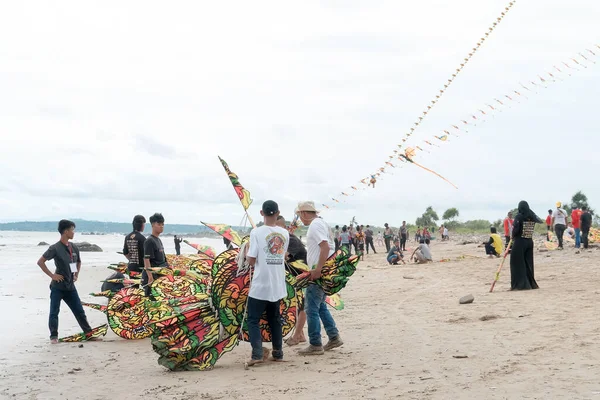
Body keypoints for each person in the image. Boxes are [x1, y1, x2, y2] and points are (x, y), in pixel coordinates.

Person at [296, 201, 343, 356]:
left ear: (303, 213)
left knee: (311, 308)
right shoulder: (322, 223)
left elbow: (325, 246)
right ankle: (333, 336)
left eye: (299, 215)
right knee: (320, 305)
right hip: (325, 270)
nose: (300, 219)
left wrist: (318, 269)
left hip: (319, 272)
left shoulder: (315, 225)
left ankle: (315, 343)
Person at [245, 201, 289, 366]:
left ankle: (257, 354)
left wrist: (247, 249)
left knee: (253, 319)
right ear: (278, 212)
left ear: (261, 213)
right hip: (277, 283)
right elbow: (283, 256)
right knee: (274, 318)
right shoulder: (285, 233)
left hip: (261, 284)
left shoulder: (256, 233)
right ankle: (278, 352)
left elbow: (251, 260)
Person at [37, 220, 94, 344]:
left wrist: (76, 274)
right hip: (58, 286)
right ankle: (53, 337)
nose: (74, 232)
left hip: (70, 286)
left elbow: (77, 262)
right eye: (72, 230)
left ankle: (88, 333)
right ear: (65, 231)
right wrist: (52, 275)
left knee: (79, 310)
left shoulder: (73, 247)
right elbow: (40, 262)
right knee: (54, 312)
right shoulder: (55, 248)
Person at [276, 216, 307, 347]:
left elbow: (282, 257)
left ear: (284, 227)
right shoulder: (281, 240)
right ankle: (300, 335)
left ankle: (296, 336)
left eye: (277, 227)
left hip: (304, 276)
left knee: (303, 306)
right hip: (294, 278)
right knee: (298, 304)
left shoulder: (291, 239)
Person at [510, 200, 542, 290]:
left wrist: (512, 236)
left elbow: (516, 230)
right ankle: (530, 283)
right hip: (529, 241)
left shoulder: (519, 216)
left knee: (516, 263)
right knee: (528, 263)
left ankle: (520, 285)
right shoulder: (532, 216)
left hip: (520, 242)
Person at [143, 213, 169, 297]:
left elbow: (162, 259)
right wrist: (150, 277)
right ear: (153, 225)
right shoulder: (149, 241)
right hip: (152, 277)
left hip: (160, 275)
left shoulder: (158, 240)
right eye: (159, 224)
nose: (161, 226)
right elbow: (146, 260)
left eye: (163, 224)